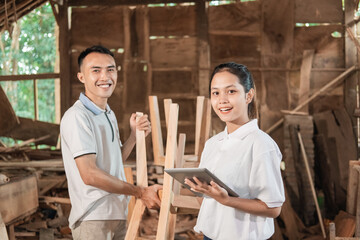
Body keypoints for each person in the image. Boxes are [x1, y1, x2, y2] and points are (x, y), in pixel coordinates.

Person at [60, 45, 161, 240]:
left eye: (110, 69)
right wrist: (140, 192)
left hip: (117, 212)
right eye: (96, 71)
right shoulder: (77, 117)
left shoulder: (108, 113)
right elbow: (90, 175)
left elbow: (113, 160)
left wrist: (133, 136)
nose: (105, 77)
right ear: (81, 77)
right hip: (93, 217)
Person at [185, 62, 285, 240]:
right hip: (210, 235)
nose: (222, 100)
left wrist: (227, 200)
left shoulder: (261, 144)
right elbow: (207, 199)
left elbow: (273, 209)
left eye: (231, 91)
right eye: (216, 93)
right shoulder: (212, 144)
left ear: (249, 96)